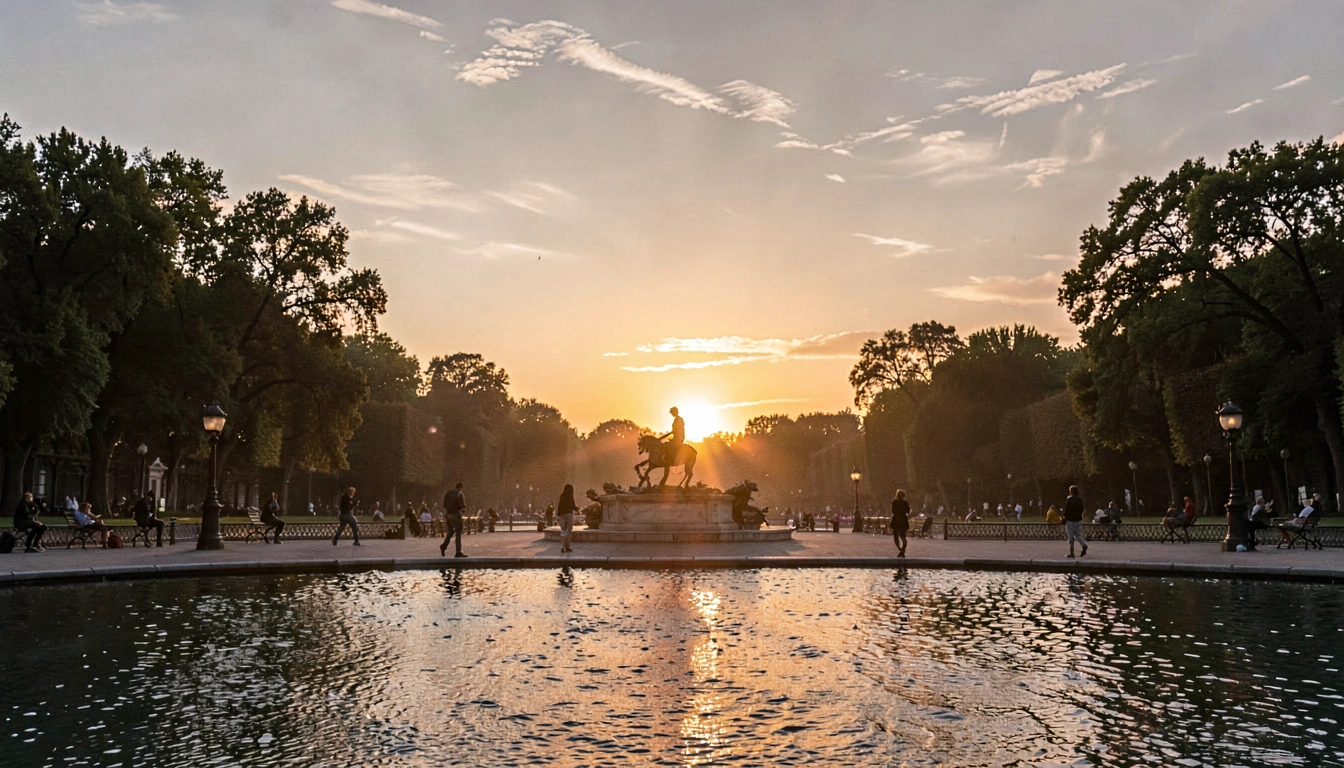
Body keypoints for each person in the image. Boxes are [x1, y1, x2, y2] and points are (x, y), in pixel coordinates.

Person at [440, 482, 467, 558]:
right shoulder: (459, 493)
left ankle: (444, 545)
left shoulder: (448, 492)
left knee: (451, 531)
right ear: (461, 487)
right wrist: (463, 508)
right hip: (455, 514)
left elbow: (444, 504)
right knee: (458, 532)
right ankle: (458, 552)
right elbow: (462, 505)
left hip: (448, 514)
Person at [1063, 485, 1088, 558]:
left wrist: (1064, 517)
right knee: (1078, 535)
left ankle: (1072, 553)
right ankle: (1084, 544)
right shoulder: (1080, 499)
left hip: (1070, 520)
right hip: (1078, 520)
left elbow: (1067, 510)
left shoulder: (1069, 499)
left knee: (1071, 537)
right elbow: (1082, 509)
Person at [557, 484, 578, 553]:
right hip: (569, 514)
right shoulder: (570, 496)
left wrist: (559, 514)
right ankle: (567, 547)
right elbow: (572, 505)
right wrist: (577, 509)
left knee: (563, 530)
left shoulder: (562, 495)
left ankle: (563, 546)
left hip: (562, 514)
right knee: (569, 531)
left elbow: (559, 505)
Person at [890, 489, 910, 558]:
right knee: (903, 536)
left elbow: (893, 511)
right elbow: (908, 511)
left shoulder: (894, 502)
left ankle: (900, 549)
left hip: (896, 521)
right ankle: (903, 550)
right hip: (904, 521)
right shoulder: (905, 503)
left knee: (896, 537)